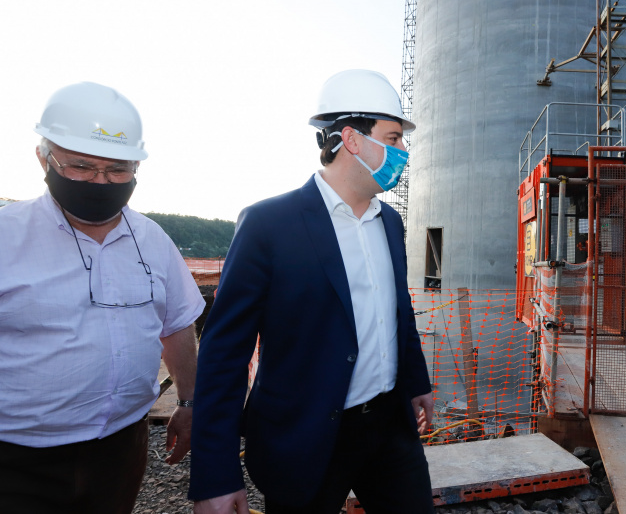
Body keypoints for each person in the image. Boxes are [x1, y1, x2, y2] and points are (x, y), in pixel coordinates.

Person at [189, 69, 434, 513]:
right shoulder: (270, 226)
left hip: (389, 428)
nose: (403, 152)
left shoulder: (391, 223)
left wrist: (417, 382)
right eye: (395, 138)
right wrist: (215, 476)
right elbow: (223, 357)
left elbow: (398, 312)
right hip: (305, 438)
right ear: (352, 140)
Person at [0, 82, 204, 513]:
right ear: (43, 157)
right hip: (18, 456)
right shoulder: (7, 237)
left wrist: (188, 402)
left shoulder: (152, 239)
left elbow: (178, 324)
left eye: (117, 170)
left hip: (120, 447)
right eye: (81, 166)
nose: (100, 181)